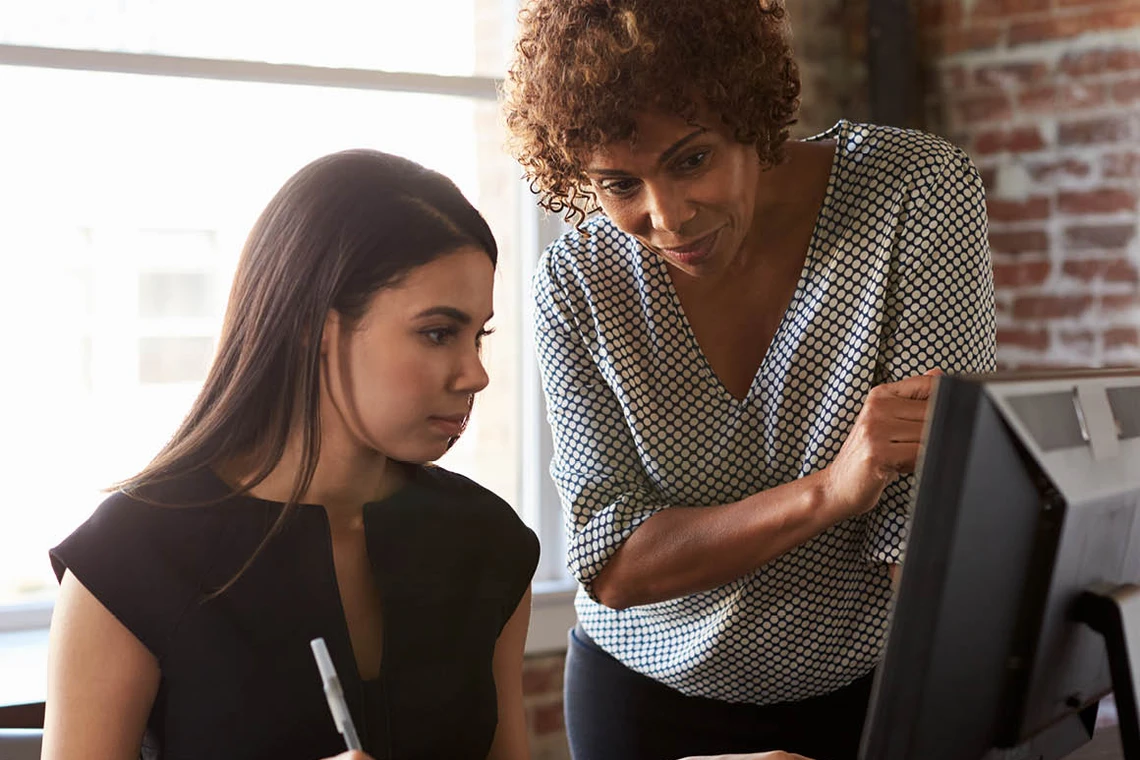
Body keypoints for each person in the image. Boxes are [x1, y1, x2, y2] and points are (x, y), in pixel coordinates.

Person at [502, 1, 996, 759]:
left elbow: (924, 514)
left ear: (751, 111)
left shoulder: (913, 193)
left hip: (867, 692)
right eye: (618, 184)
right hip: (641, 701)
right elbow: (612, 562)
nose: (666, 216)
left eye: (691, 159)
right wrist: (831, 490)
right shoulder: (577, 280)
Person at [41, 150, 540, 760]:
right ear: (313, 326)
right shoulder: (129, 558)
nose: (474, 375)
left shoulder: (491, 543)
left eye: (478, 335)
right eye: (438, 332)